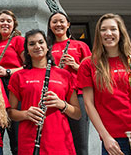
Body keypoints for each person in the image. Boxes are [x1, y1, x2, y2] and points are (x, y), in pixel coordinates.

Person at [77, 13, 131, 155]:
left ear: (121, 32)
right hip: (113, 140)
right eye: (103, 29)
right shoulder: (88, 64)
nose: (108, 33)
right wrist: (105, 137)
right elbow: (88, 104)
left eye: (113, 29)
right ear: (98, 34)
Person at [8, 29, 81, 155]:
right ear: (27, 51)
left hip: (60, 141)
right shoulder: (18, 76)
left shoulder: (64, 75)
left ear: (47, 47)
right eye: (32, 44)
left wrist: (61, 104)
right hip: (30, 140)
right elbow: (10, 113)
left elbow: (77, 113)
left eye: (41, 42)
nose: (37, 46)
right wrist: (26, 114)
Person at [47, 11, 92, 155]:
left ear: (68, 24)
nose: (58, 24)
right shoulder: (47, 48)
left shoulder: (80, 45)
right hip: (54, 96)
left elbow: (93, 73)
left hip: (77, 96)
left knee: (80, 142)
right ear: (50, 26)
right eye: (54, 22)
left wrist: (76, 66)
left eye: (61, 21)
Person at [0, 10, 24, 155]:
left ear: (13, 25)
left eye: (8, 21)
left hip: (12, 87)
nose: (5, 23)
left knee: (15, 137)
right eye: (2, 20)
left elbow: (28, 65)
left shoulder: (18, 41)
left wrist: (8, 71)